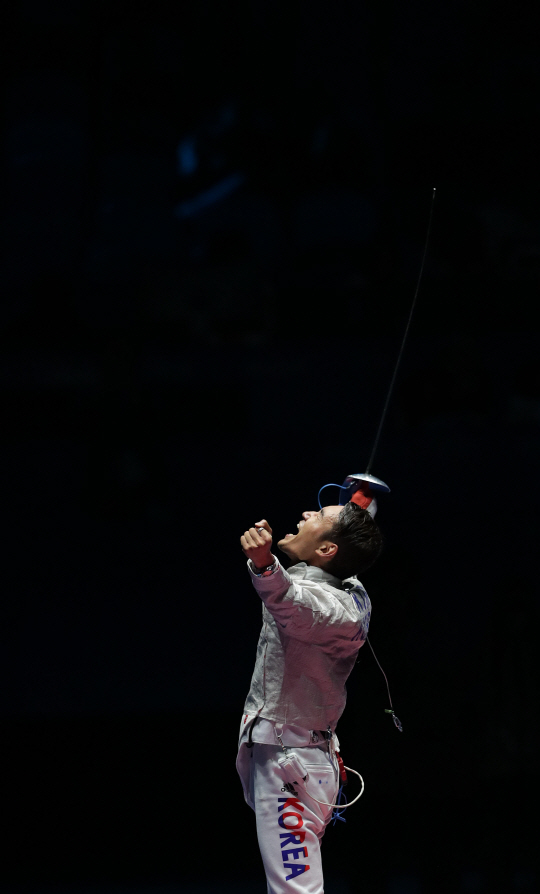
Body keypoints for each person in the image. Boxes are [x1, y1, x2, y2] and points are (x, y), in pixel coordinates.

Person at [237, 499, 383, 893]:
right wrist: (359, 503)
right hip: (299, 754)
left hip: (290, 764)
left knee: (294, 889)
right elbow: (347, 537)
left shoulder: (329, 611)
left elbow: (290, 602)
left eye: (317, 517)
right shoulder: (345, 581)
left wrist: (265, 565)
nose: (305, 513)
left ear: (326, 550)